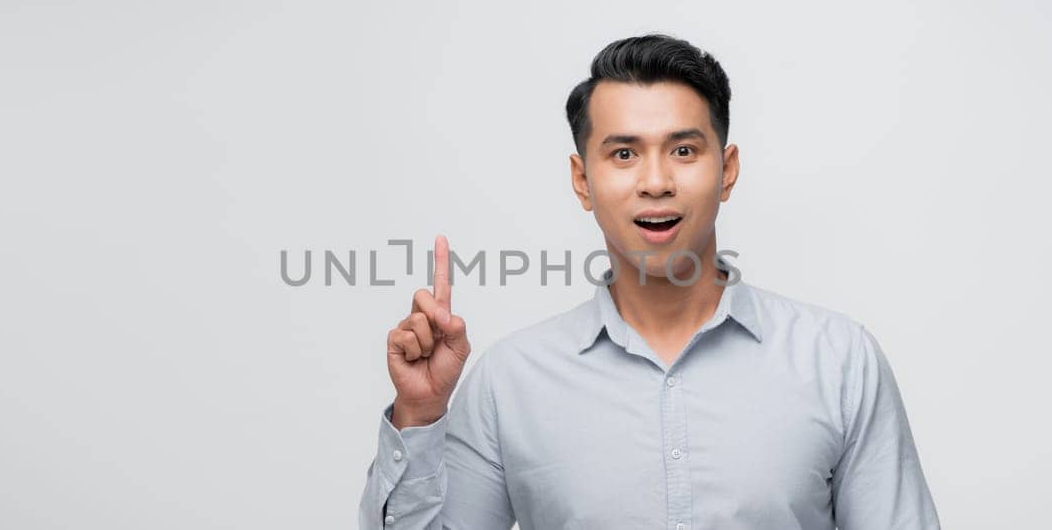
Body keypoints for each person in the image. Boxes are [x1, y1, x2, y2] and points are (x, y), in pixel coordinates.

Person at [358, 34, 940, 529]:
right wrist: (421, 415)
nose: (656, 181)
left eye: (684, 149)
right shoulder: (508, 384)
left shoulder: (838, 361)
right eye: (624, 154)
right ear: (582, 181)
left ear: (727, 170)